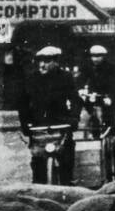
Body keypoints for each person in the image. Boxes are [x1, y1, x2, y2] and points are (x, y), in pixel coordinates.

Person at [18, 45, 77, 184]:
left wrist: (74, 118)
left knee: (66, 155)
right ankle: (38, 189)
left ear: (56, 62)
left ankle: (67, 184)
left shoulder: (66, 77)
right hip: (38, 124)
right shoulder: (32, 78)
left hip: (61, 122)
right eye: (40, 61)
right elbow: (23, 104)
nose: (42, 65)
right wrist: (25, 124)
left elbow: (75, 100)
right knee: (37, 160)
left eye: (47, 61)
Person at [79, 43, 115, 181]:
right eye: (93, 56)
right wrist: (82, 90)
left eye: (98, 56)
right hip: (93, 97)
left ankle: (111, 138)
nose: (95, 59)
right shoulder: (87, 67)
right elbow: (80, 79)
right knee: (90, 116)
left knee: (110, 119)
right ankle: (94, 134)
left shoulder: (111, 68)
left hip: (108, 97)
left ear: (104, 57)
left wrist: (110, 97)